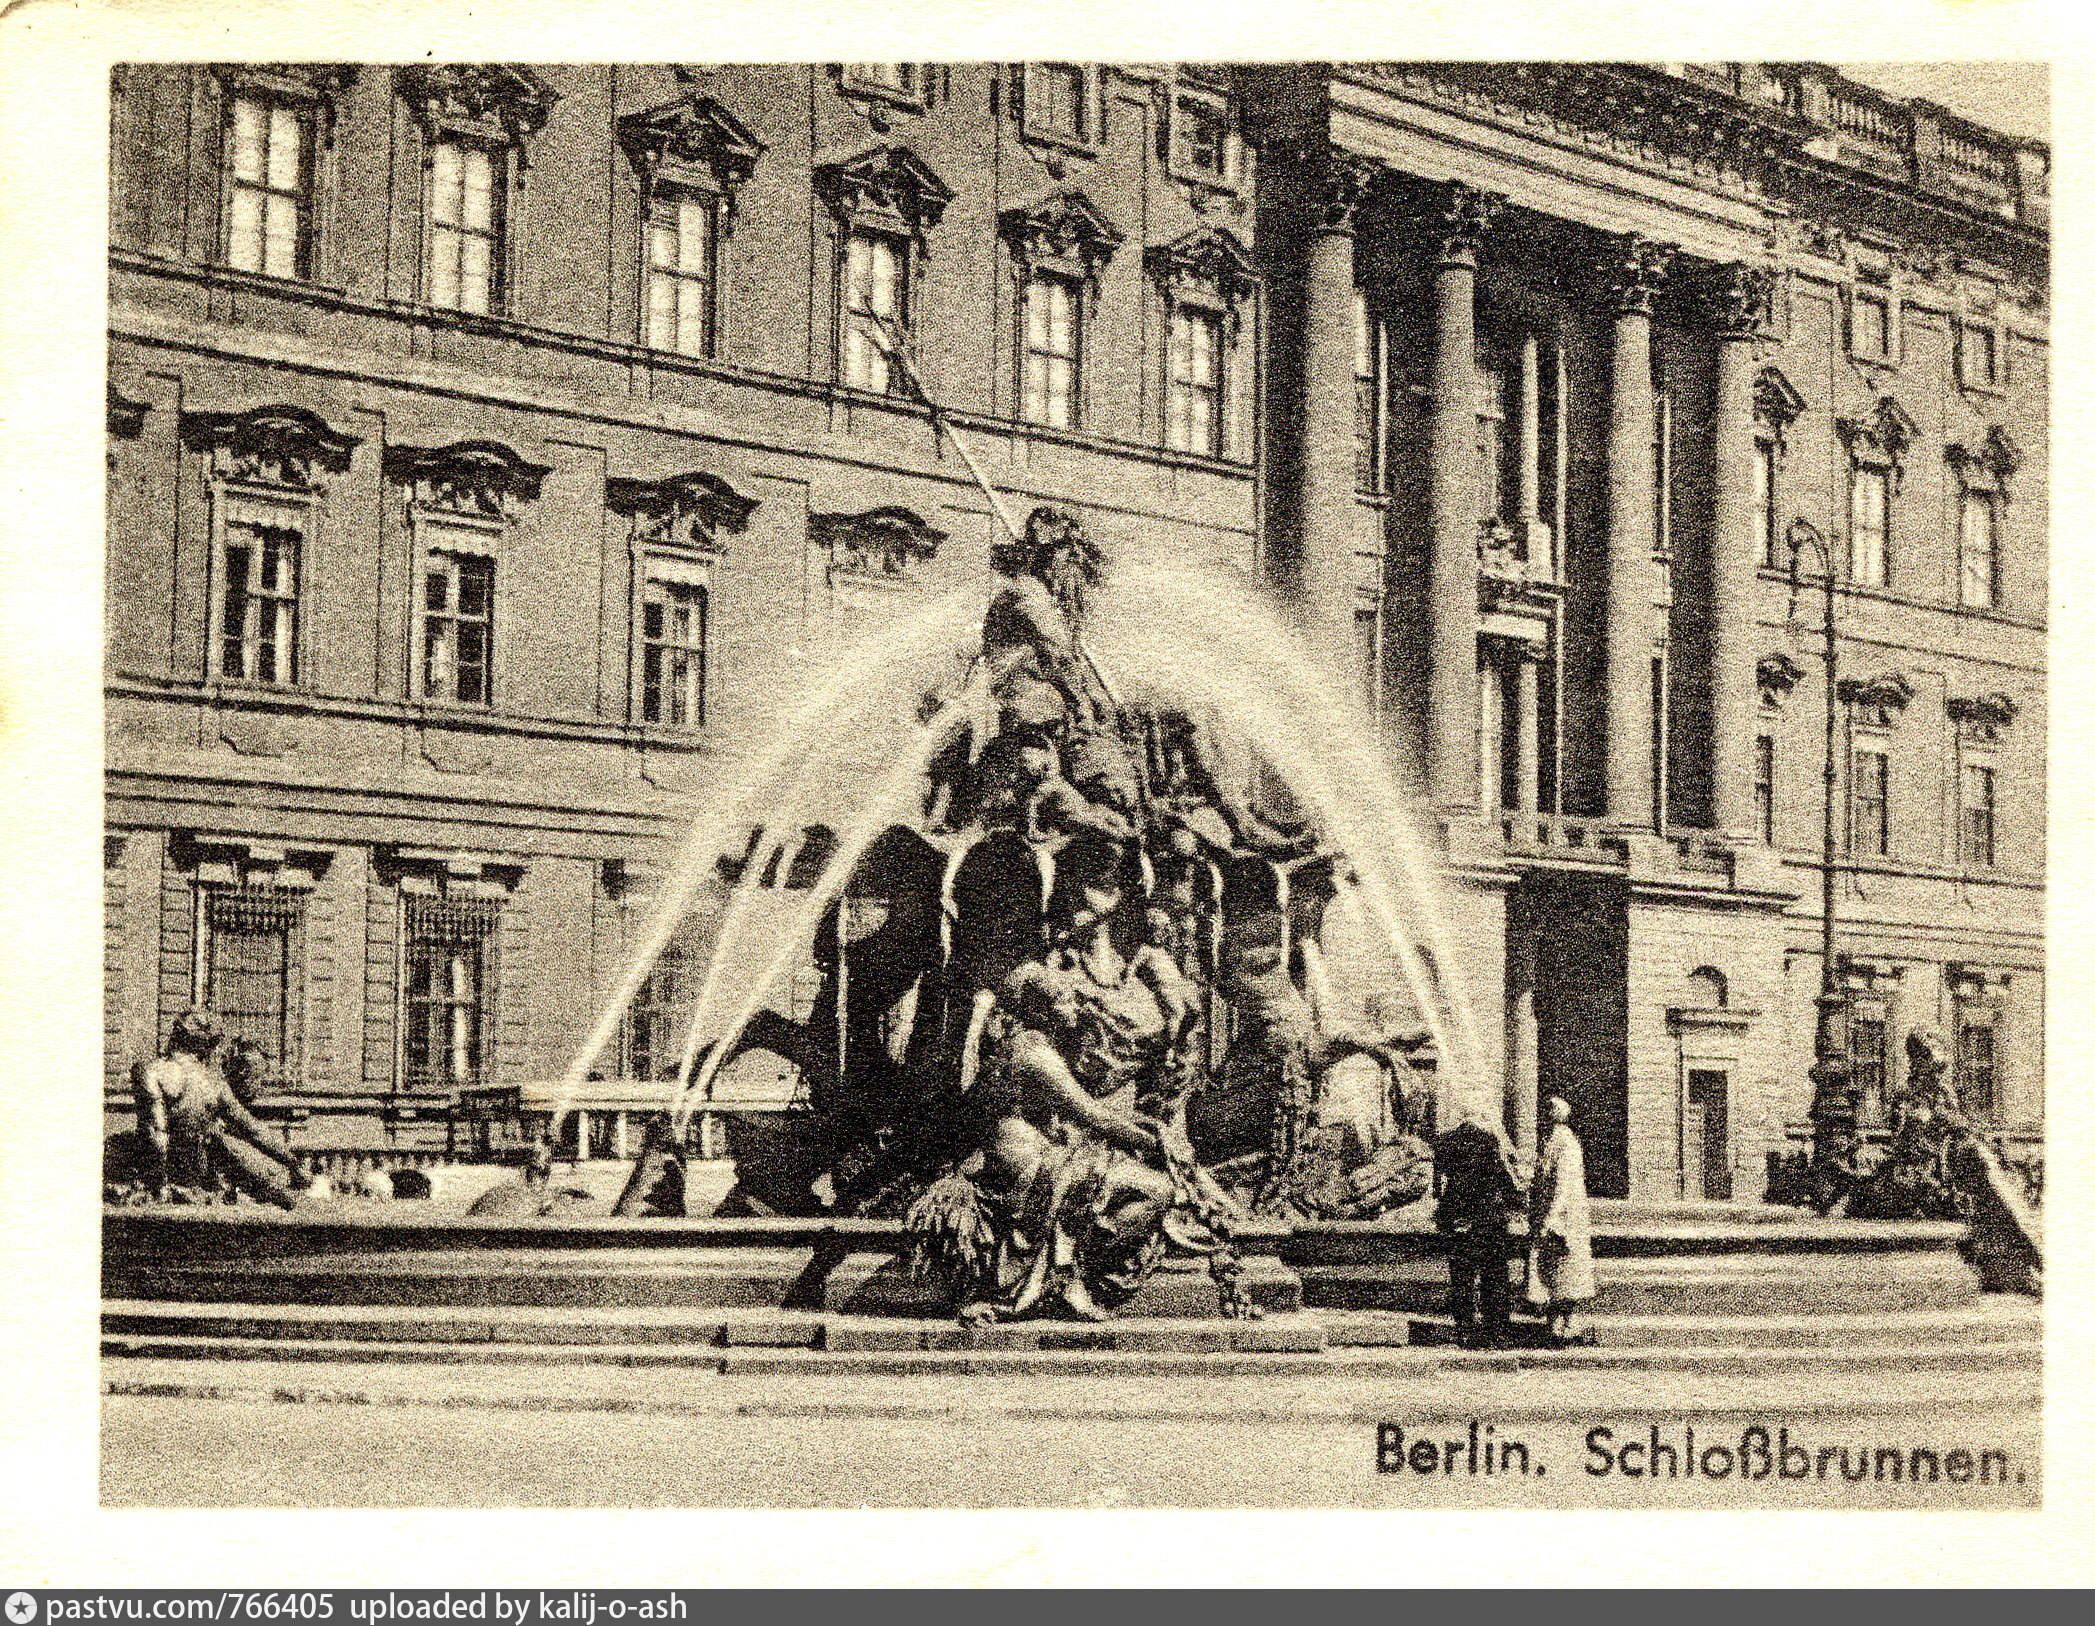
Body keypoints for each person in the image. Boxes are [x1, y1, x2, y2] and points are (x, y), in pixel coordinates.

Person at [909, 837, 1252, 1322]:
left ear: (1126, 895)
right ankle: (1059, 1275)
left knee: (1150, 1192)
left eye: (1097, 884)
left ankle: (1070, 1270)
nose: (1076, 897)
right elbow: (987, 1063)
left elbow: (1164, 1079)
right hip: (1054, 1144)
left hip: (1097, 1138)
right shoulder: (1043, 985)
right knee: (1143, 1192)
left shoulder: (1152, 972)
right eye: (1077, 882)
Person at [129, 1008, 307, 1208]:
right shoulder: (214, 1083)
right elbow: (253, 1130)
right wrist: (292, 1161)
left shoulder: (151, 1071)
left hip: (163, 1180)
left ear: (176, 1036)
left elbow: (156, 1133)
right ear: (205, 1046)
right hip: (198, 1182)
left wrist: (159, 1186)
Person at [1432, 1095, 1527, 1347]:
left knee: (1461, 1279)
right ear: (1483, 1116)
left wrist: (1449, 1216)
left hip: (1457, 1220)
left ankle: (1464, 1330)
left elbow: (1438, 1187)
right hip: (1486, 1220)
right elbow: (1505, 1181)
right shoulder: (1488, 1141)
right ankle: (1496, 1331)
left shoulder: (1443, 1142)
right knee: (1494, 1276)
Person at [1526, 1095, 1598, 1347]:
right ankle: (1556, 1324)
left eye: (1550, 1112)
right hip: (1551, 1215)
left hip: (1564, 1218)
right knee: (1553, 1273)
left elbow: (1563, 1185)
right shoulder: (1550, 1141)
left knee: (1565, 1272)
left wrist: (1553, 1215)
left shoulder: (1565, 1143)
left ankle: (1570, 1325)